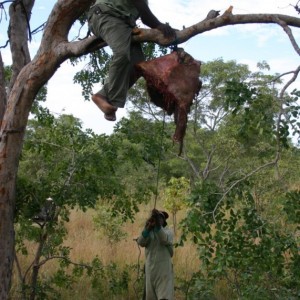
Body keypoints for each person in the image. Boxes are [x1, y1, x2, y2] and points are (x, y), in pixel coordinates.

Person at [87, 0, 176, 121]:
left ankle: (104, 97)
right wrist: (160, 25)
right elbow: (145, 14)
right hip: (105, 15)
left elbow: (144, 16)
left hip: (123, 23)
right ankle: (107, 99)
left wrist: (162, 28)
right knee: (122, 53)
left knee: (138, 64)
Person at [137, 209, 174, 300]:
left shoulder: (168, 232)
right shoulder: (149, 232)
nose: (159, 220)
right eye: (157, 218)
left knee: (164, 297)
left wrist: (157, 226)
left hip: (163, 271)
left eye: (161, 218)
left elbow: (164, 239)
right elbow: (141, 242)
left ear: (164, 221)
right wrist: (147, 228)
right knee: (150, 297)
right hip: (150, 271)